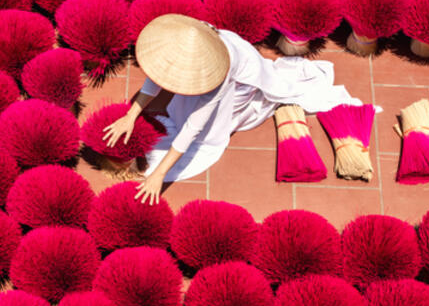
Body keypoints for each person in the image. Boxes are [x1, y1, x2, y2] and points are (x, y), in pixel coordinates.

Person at [102, 14, 364, 204]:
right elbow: (159, 75)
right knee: (183, 105)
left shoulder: (217, 80)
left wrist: (159, 175)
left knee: (214, 125)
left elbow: (193, 127)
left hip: (241, 75)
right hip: (222, 52)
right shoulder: (183, 37)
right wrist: (130, 115)